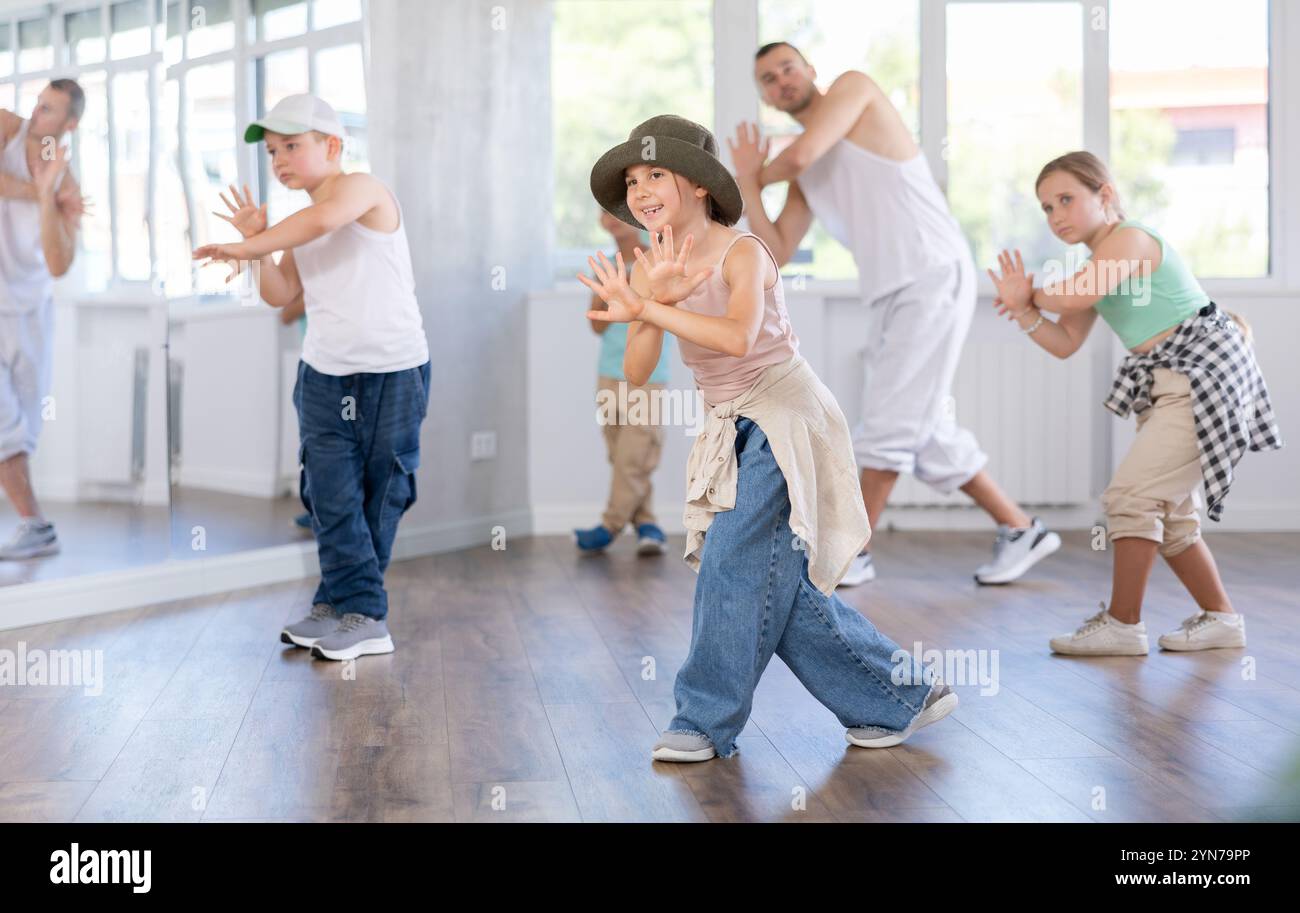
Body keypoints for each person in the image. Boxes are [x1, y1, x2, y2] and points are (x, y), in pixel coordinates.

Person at [580, 115, 956, 763]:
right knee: (773, 579)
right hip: (730, 421)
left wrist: (649, 308)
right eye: (633, 179)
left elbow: (737, 338)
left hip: (785, 414)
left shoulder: (744, 250)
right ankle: (899, 693)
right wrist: (649, 307)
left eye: (656, 174)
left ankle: (701, 720)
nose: (640, 189)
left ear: (698, 185)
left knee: (732, 565)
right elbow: (637, 371)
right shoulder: (654, 265)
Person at [733, 41, 1060, 587]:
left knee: (887, 425)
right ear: (765, 96)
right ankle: (1020, 528)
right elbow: (777, 249)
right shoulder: (799, 173)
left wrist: (751, 173)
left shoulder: (853, 89)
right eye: (767, 78)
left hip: (929, 272)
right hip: (891, 292)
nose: (781, 80)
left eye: (788, 67)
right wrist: (747, 184)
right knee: (923, 426)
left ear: (811, 70)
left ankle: (851, 552)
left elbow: (801, 155)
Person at [988, 151, 1282, 656]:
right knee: (1169, 512)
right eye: (1045, 208)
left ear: (1105, 195)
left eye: (1066, 199)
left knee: (1132, 497)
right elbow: (1064, 343)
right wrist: (1023, 311)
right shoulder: (1094, 263)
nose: (1056, 215)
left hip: (1202, 376)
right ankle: (1222, 620)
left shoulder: (1130, 239)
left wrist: (1028, 292)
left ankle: (1123, 625)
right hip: (1170, 381)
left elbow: (1078, 295)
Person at [194, 94, 430, 661]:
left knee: (381, 494)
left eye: (292, 146)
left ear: (332, 145)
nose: (279, 159)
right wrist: (259, 251)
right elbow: (282, 298)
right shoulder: (298, 226)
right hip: (325, 374)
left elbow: (324, 218)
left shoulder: (362, 190)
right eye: (273, 151)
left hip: (391, 372)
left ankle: (364, 614)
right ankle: (339, 604)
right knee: (328, 494)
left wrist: (248, 242)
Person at [0, 80, 89, 561]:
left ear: (70, 124)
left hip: (31, 313)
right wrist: (36, 192)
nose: (36, 114)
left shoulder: (69, 185)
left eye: (50, 110)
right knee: (3, 424)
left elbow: (58, 265)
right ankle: (35, 521)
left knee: (23, 427)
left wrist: (53, 194)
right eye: (38, 103)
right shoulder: (6, 127)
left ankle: (37, 528)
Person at [575, 210, 672, 556]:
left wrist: (636, 283)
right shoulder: (604, 262)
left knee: (635, 454)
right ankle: (648, 524)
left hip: (648, 373)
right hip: (609, 372)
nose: (610, 217)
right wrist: (609, 289)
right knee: (620, 454)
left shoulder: (658, 255)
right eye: (603, 212)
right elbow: (597, 326)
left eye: (618, 211)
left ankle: (610, 524)